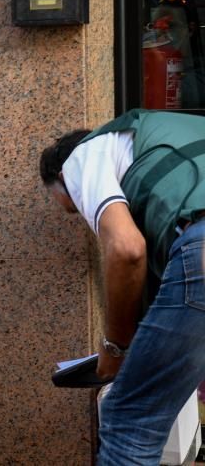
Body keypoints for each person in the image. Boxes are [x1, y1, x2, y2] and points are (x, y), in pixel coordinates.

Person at [39, 109, 205, 465]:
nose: (81, 215)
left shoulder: (82, 156)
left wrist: (114, 350)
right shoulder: (174, 131)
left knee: (131, 419)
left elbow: (127, 250)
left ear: (61, 178)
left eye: (72, 210)